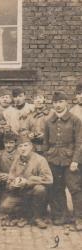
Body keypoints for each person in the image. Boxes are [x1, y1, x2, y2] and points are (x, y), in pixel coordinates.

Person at [43, 91, 82, 230]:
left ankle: (79, 218)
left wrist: (75, 160)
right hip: (53, 159)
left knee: (75, 188)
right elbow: (45, 143)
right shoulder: (48, 122)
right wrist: (47, 159)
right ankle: (63, 215)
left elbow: (79, 143)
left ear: (66, 102)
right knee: (57, 188)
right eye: (55, 103)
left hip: (70, 159)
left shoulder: (75, 120)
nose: (57, 105)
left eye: (60, 102)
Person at [0, 134, 53, 229]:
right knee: (5, 207)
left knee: (40, 189)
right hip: (20, 193)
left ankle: (38, 217)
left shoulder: (40, 160)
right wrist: (13, 182)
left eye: (25, 145)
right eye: (20, 146)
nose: (23, 149)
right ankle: (25, 216)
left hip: (34, 193)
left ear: (31, 147)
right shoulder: (17, 159)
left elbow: (49, 179)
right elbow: (11, 177)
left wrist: (29, 181)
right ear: (17, 148)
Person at [27, 90, 53, 154]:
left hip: (48, 148)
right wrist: (29, 134)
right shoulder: (29, 115)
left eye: (40, 98)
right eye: (35, 99)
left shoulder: (52, 114)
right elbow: (24, 129)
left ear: (45, 100)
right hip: (33, 148)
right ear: (32, 101)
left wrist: (45, 135)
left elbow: (57, 130)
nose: (38, 101)